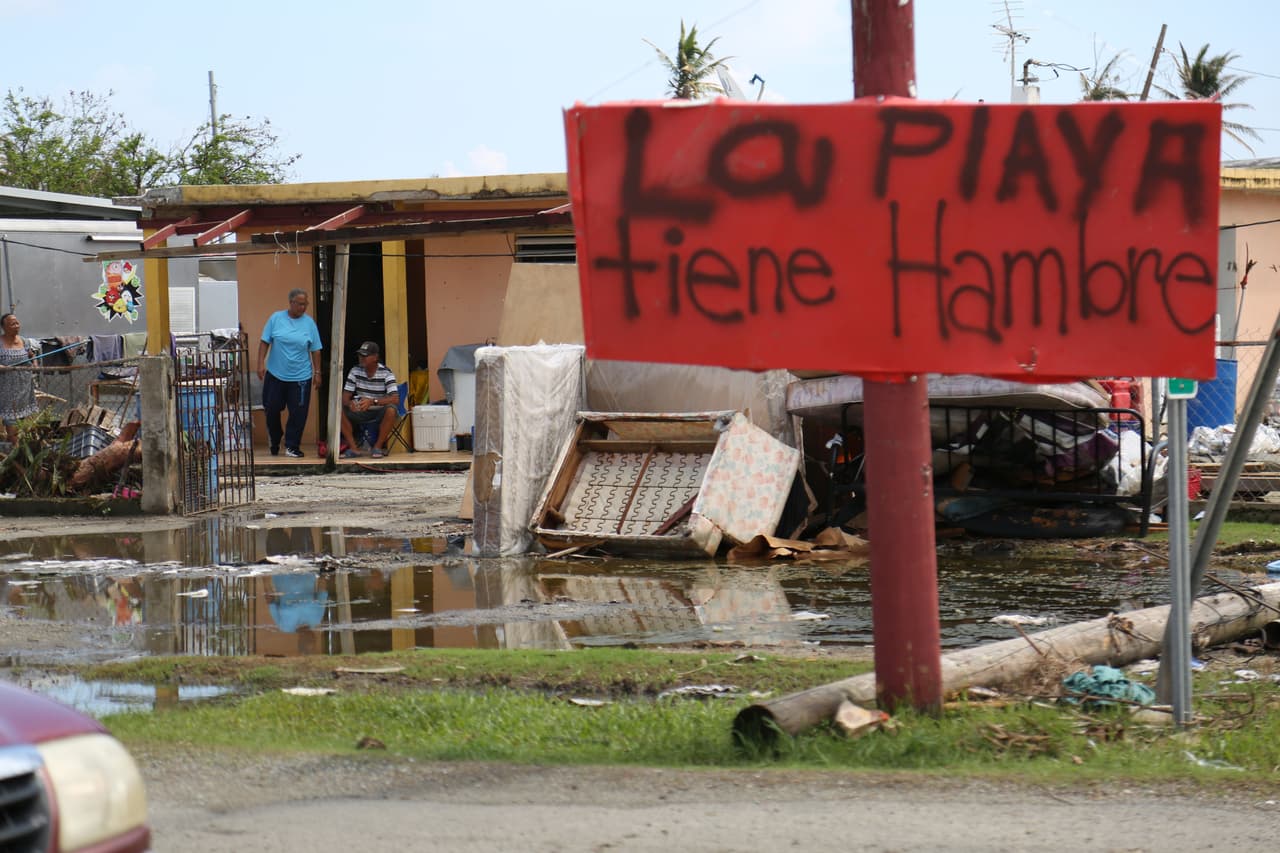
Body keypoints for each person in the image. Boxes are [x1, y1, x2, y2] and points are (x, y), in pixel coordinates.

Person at [257, 289, 322, 458]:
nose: (303, 307)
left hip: (301, 377)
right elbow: (264, 342)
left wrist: (318, 372)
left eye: (305, 304)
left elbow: (315, 350)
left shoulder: (309, 324)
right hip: (275, 374)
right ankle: (275, 439)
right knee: (271, 408)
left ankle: (292, 445)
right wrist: (260, 364)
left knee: (298, 413)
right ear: (291, 303)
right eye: (300, 304)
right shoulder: (276, 318)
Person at [339, 341, 399, 458]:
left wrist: (372, 401)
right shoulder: (355, 371)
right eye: (360, 355)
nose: (361, 358)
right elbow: (345, 396)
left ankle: (377, 447)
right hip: (361, 410)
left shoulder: (386, 373)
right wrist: (350, 403)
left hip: (379, 410)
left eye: (365, 356)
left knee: (391, 410)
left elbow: (395, 399)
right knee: (338, 410)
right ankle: (354, 448)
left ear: (375, 357)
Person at [0, 313, 37, 443]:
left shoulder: (25, 341)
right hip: (7, 390)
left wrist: (35, 365)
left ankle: (23, 452)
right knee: (12, 424)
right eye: (12, 324)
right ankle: (14, 453)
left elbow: (32, 355)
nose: (16, 326)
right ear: (4, 327)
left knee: (25, 424)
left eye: (17, 323)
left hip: (25, 388)